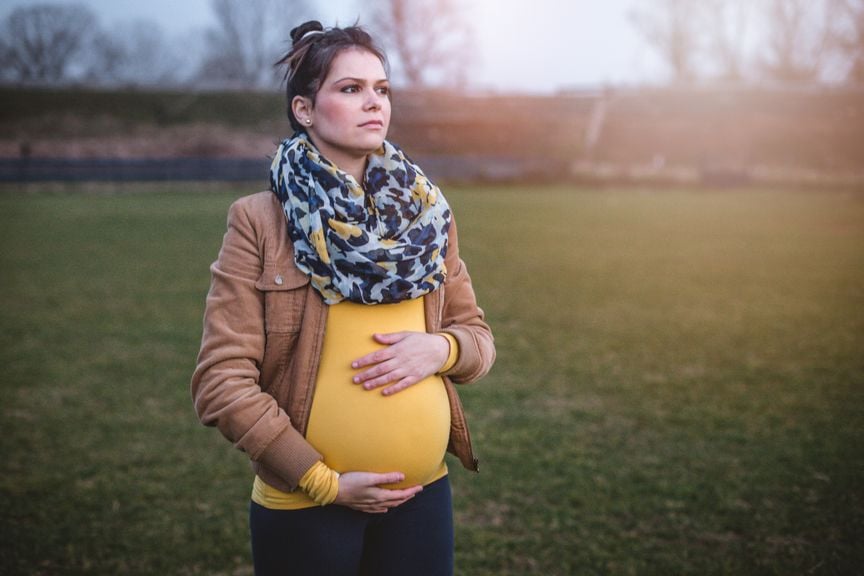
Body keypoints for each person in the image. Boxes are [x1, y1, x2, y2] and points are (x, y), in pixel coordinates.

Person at [191, 19, 495, 576]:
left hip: (422, 500)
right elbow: (221, 382)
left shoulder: (428, 216)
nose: (373, 102)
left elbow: (477, 338)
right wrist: (322, 482)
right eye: (350, 89)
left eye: (381, 89)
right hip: (308, 508)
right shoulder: (260, 221)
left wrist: (441, 351)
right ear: (305, 110)